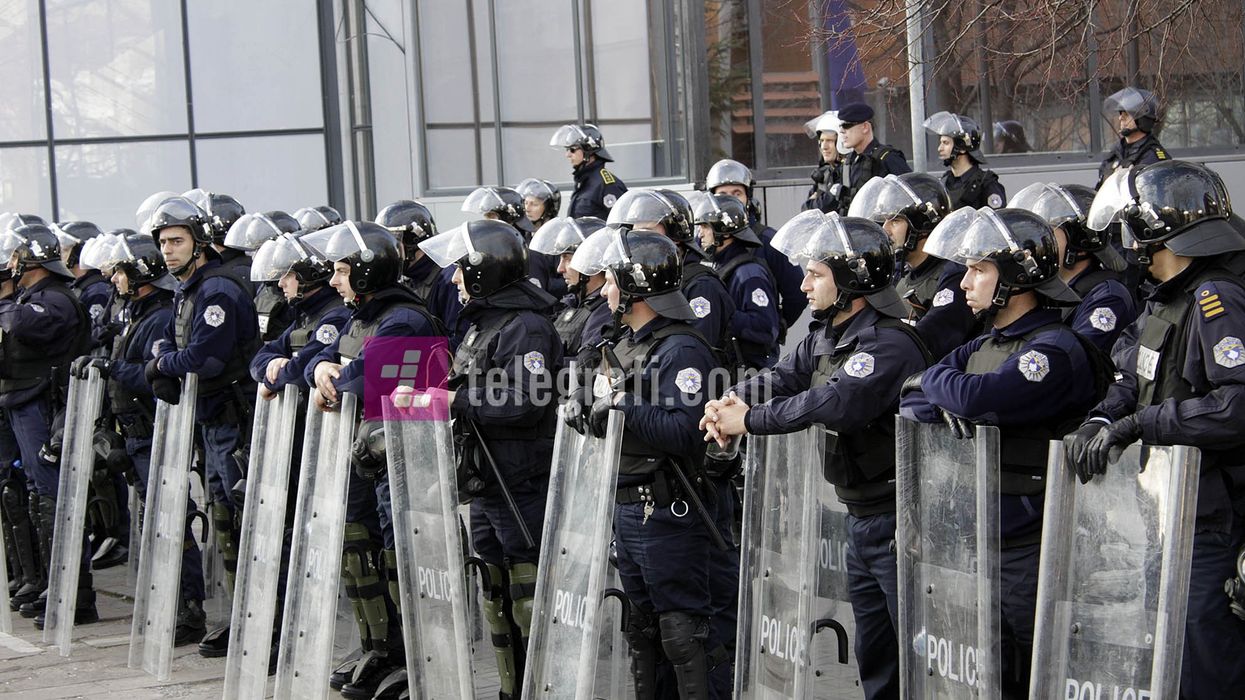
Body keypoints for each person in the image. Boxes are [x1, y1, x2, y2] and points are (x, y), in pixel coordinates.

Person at [701, 210, 931, 700]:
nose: (803, 284)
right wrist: (730, 402)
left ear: (851, 281)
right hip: (860, 514)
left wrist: (751, 422)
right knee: (876, 656)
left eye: (816, 274)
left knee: (916, 656)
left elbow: (834, 403)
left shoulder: (887, 343)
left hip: (899, 521)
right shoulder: (829, 334)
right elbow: (783, 377)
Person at [898, 206, 1103, 698]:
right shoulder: (986, 343)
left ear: (1013, 278)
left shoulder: (1051, 348)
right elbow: (909, 397)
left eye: (978, 269)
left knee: (1039, 676)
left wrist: (935, 383)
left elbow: (976, 398)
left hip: (1034, 549)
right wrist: (934, 384)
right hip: (980, 538)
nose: (965, 282)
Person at [1064, 160, 1245, 700]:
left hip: (1214, 518)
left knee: (1205, 662)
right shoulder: (1164, 299)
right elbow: (1129, 376)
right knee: (1169, 653)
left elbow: (1236, 404)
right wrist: (1102, 418)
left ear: (1152, 231)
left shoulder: (1218, 299)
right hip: (1169, 514)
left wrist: (1142, 423)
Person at [565, 227, 721, 698]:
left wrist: (621, 407)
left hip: (666, 510)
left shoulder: (681, 349)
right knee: (642, 630)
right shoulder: (626, 342)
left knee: (682, 633)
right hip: (626, 504)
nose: (605, 289)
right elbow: (594, 383)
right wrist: (579, 398)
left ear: (635, 286)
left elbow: (683, 431)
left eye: (612, 281)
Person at [419, 219, 563, 700]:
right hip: (483, 476)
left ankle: (541, 687)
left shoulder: (526, 326)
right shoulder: (485, 323)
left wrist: (454, 402)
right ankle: (509, 688)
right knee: (494, 586)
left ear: (485, 272)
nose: (455, 279)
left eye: (461, 270)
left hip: (518, 478)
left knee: (526, 590)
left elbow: (528, 399)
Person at [301, 220, 444, 698]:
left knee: (398, 556)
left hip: (400, 461)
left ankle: (413, 659)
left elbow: (366, 381)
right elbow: (312, 357)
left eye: (341, 271)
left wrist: (335, 375)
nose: (335, 281)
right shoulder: (361, 314)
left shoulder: (405, 318)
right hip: (365, 456)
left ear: (365, 272)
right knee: (362, 550)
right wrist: (321, 365)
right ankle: (381, 648)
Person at [71, 230, 208, 643]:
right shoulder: (136, 314)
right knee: (154, 520)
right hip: (134, 435)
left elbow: (155, 375)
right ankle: (167, 601)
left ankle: (189, 609)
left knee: (172, 520)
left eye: (120, 272)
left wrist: (110, 370)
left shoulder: (159, 317)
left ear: (139, 271)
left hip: (156, 432)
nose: (113, 280)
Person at [144, 196, 260, 656]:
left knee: (240, 516)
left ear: (200, 242)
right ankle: (239, 616)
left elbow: (206, 358)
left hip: (232, 418)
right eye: (163, 242)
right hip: (210, 420)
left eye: (177, 240)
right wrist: (163, 356)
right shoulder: (188, 289)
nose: (168, 250)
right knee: (222, 520)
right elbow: (176, 344)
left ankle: (260, 619)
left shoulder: (217, 291)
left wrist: (161, 363)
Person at [0, 222, 95, 625]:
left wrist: (5, 301)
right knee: (32, 494)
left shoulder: (54, 299)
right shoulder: (30, 297)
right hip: (23, 402)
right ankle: (45, 582)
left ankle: (74, 593)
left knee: (55, 495)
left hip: (45, 405)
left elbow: (22, 325)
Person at [848, 172, 977, 360]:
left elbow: (928, 339)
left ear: (921, 224)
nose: (885, 229)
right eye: (885, 220)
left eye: (895, 220)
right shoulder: (901, 273)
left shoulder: (954, 277)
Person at [1007, 182, 1136, 352]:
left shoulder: (1108, 297)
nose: (1037, 243)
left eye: (1047, 233)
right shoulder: (1046, 291)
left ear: (1079, 240)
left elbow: (1070, 358)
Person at [707, 158, 808, 330]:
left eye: (737, 193)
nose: (730, 200)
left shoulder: (769, 241)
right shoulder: (703, 239)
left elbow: (798, 293)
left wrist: (777, 325)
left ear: (748, 197)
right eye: (722, 194)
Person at [691, 193, 781, 369]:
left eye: (704, 226)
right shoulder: (720, 265)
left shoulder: (749, 274)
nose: (700, 233)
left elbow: (766, 329)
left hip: (750, 373)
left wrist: (723, 314)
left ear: (723, 231)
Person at [529, 216, 611, 367]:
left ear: (591, 260)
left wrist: (538, 366)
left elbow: (585, 366)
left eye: (567, 259)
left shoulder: (604, 309)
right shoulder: (571, 304)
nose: (560, 269)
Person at [835, 102, 912, 215]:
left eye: (847, 125)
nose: (842, 131)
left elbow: (910, 193)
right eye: (841, 126)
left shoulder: (887, 158)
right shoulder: (848, 162)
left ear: (865, 127)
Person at [923, 111, 1006, 210]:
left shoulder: (986, 184)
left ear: (962, 148)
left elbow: (995, 220)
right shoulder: (945, 182)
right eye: (941, 143)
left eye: (946, 143)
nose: (940, 148)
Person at [549, 123, 627, 220]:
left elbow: (621, 223)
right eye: (567, 150)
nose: (567, 155)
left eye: (572, 149)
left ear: (588, 150)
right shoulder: (582, 182)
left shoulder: (607, 185)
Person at [1096, 87, 1169, 189]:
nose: (1120, 118)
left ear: (1142, 120)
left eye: (1126, 114)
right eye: (1120, 113)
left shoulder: (1152, 157)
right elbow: (1099, 191)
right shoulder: (1115, 153)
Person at [515, 178, 568, 299]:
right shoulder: (525, 235)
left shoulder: (559, 239)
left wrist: (543, 285)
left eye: (534, 204)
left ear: (549, 208)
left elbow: (566, 280)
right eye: (526, 203)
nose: (527, 208)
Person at [802, 110, 848, 214]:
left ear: (841, 142)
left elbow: (824, 206)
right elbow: (806, 209)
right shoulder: (824, 173)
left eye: (830, 141)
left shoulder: (847, 172)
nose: (824, 147)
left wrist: (814, 201)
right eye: (822, 141)